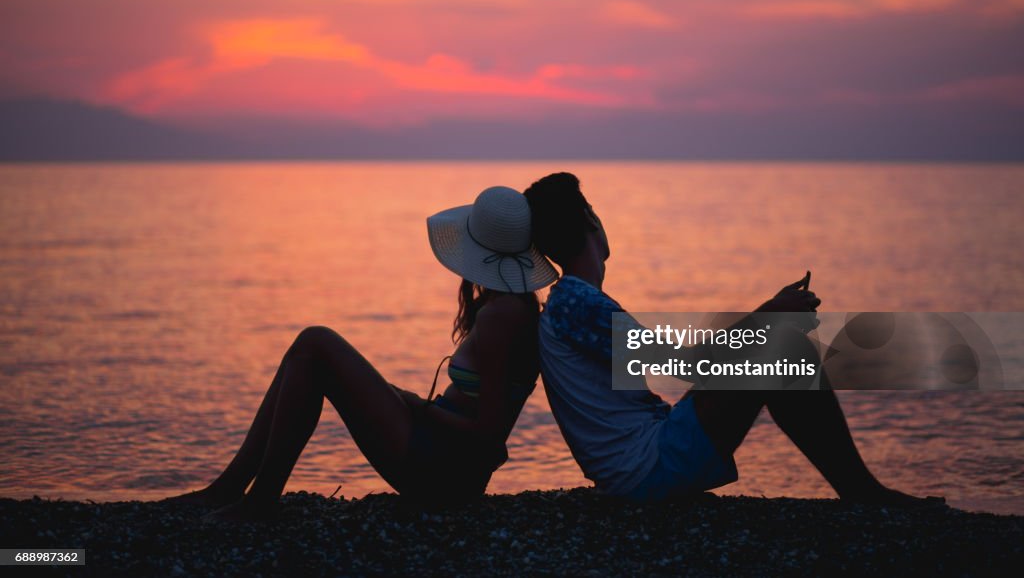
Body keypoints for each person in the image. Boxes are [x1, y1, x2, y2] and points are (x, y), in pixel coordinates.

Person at [523, 172, 941, 505]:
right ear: (590, 220)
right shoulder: (576, 301)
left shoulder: (573, 302)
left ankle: (860, 492)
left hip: (644, 460)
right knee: (785, 352)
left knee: (777, 351)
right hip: (647, 472)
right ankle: (863, 494)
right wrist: (767, 316)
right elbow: (684, 365)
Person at [164, 186, 558, 521]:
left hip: (441, 470)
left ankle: (256, 497)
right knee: (307, 350)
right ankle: (234, 488)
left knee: (315, 343)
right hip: (439, 449)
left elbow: (489, 437)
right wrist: (415, 405)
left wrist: (421, 410)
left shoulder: (503, 317)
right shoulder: (513, 307)